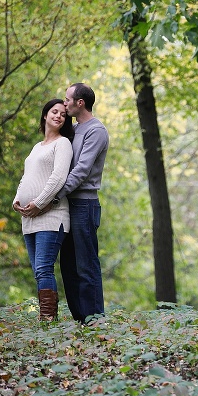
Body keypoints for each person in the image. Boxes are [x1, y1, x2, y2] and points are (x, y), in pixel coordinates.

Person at [13, 99, 74, 322]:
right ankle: (47, 319)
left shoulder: (63, 143)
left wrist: (38, 203)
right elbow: (26, 178)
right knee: (38, 270)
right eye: (54, 112)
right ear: (45, 115)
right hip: (29, 218)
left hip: (52, 215)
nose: (58, 116)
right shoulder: (37, 147)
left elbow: (59, 178)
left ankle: (48, 319)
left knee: (44, 268)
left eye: (63, 114)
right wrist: (17, 200)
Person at [54, 82, 110, 324]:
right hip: (66, 204)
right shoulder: (73, 130)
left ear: (80, 103)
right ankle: (80, 318)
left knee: (86, 264)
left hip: (84, 205)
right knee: (68, 264)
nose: (64, 103)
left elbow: (82, 171)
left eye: (67, 99)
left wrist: (55, 194)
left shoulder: (96, 131)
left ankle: (95, 318)